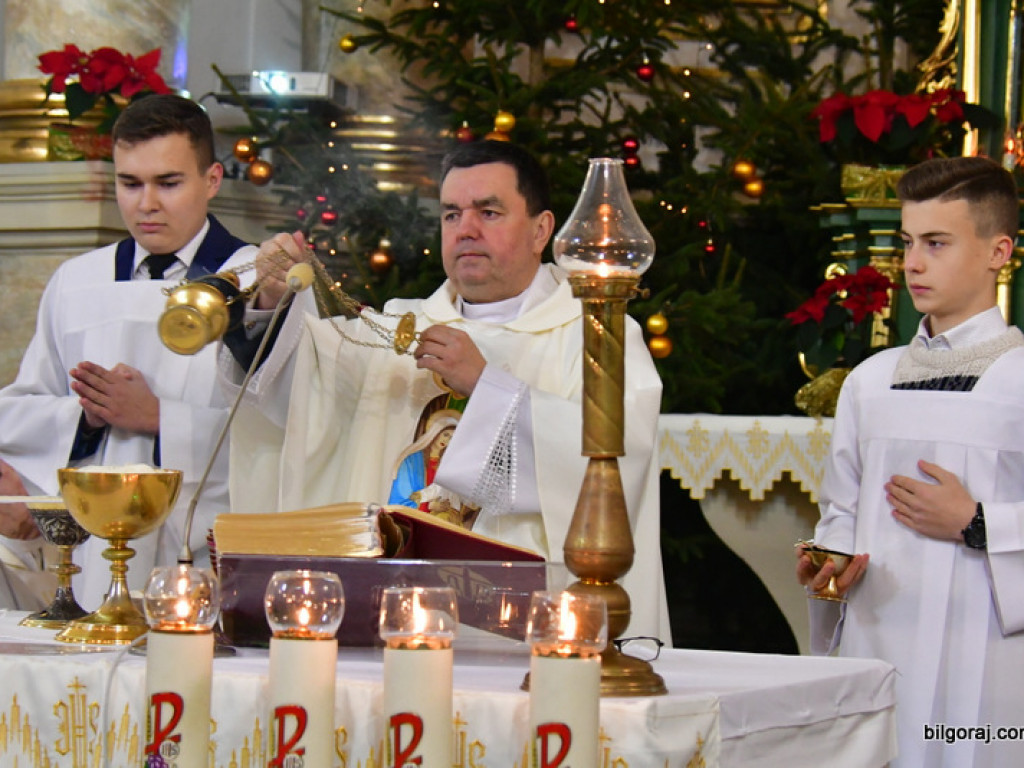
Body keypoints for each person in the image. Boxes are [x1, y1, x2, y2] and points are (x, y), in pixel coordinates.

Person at [223, 140, 670, 640]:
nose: (466, 229)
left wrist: (486, 385)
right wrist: (271, 300)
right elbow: (298, 397)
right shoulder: (395, 331)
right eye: (452, 214)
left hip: (529, 630)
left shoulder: (597, 336)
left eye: (489, 212)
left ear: (541, 230)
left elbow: (615, 469)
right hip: (392, 620)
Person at [796, 155, 1024, 767]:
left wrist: (977, 523)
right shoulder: (869, 382)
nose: (913, 263)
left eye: (936, 243)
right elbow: (841, 510)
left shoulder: (1020, 381)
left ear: (998, 252)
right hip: (880, 645)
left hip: (989, 655)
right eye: (907, 242)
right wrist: (829, 562)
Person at [0, 94, 259, 608]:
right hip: (91, 554)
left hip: (203, 555)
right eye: (130, 183)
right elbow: (25, 405)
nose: (146, 204)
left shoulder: (254, 281)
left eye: (168, 183)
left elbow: (284, 432)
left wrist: (160, 418)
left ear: (212, 179)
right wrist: (86, 419)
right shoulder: (78, 281)